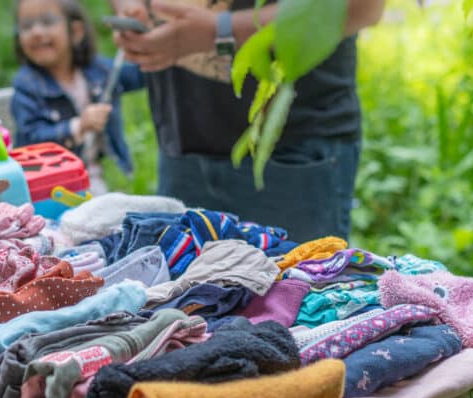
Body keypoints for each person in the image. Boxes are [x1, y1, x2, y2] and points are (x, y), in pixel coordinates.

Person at [110, 0, 386, 242]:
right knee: (182, 297)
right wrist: (132, 10)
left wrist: (220, 32)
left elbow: (361, 7)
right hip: (182, 145)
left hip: (293, 156)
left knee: (295, 292)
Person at [11, 0, 146, 195]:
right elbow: (32, 139)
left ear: (76, 32)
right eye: (26, 26)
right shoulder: (26, 86)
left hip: (99, 176)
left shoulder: (98, 71)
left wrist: (144, 41)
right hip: (51, 186)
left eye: (47, 22)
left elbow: (141, 75)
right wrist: (78, 126)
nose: (36, 32)